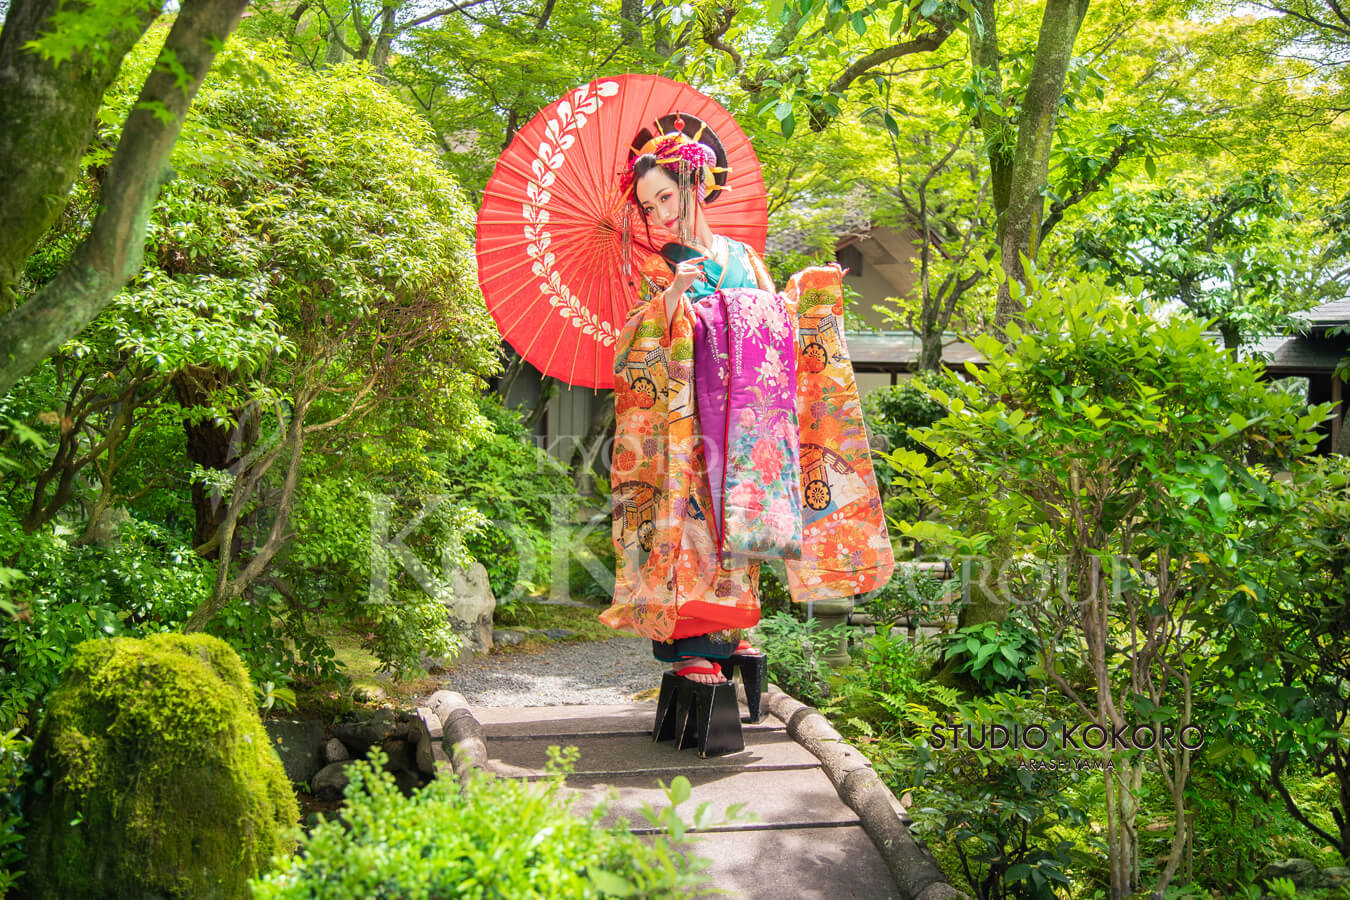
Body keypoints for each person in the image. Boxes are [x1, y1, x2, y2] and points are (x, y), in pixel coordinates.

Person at [601, 114, 894, 701]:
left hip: (751, 414)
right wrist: (675, 296)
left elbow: (777, 322)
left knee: (747, 519)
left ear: (695, 182)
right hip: (689, 419)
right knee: (693, 525)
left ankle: (731, 633)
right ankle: (689, 645)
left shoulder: (745, 256)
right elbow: (632, 348)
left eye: (664, 196)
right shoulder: (657, 268)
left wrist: (809, 292)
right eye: (648, 206)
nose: (658, 214)